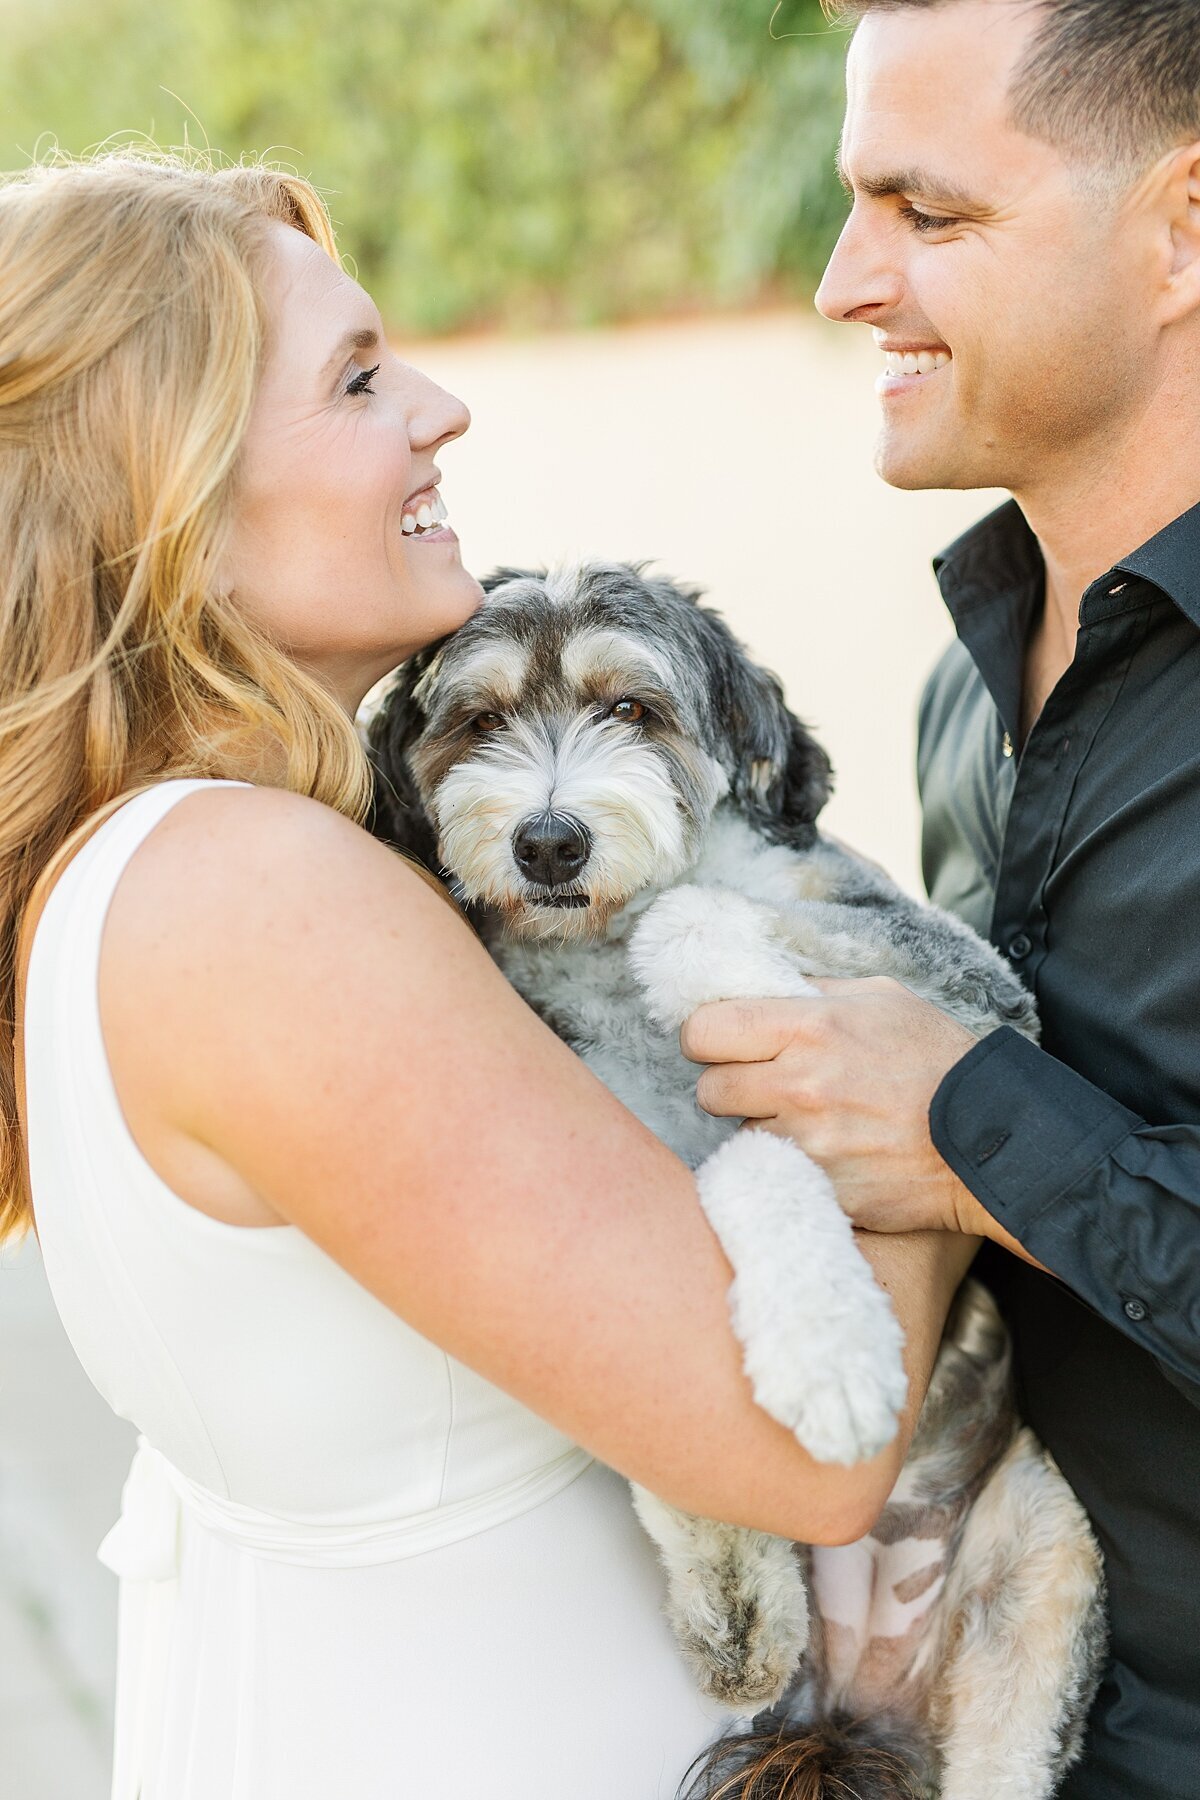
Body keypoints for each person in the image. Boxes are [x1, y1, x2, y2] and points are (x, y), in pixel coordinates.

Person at [0, 151, 973, 1800]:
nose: (439, 410)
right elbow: (801, 1448)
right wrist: (936, 1105)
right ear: (173, 497)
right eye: (358, 379)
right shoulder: (258, 896)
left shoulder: (162, 864)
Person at [681, 2, 1200, 1794]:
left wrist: (974, 1129)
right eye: (852, 204)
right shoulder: (961, 697)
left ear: (1183, 229)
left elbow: (962, 1132)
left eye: (931, 212)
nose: (844, 281)